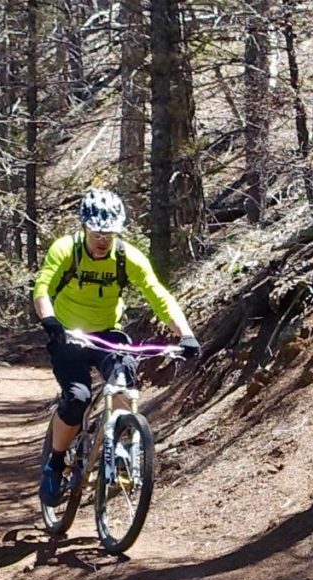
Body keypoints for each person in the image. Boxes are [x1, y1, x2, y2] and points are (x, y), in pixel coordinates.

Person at [33, 188, 200, 505]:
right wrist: (50, 321)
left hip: (109, 333)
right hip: (68, 334)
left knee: (124, 385)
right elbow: (43, 287)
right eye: (97, 232)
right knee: (78, 396)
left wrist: (185, 334)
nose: (103, 239)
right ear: (84, 227)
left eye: (109, 233)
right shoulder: (66, 250)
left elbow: (158, 295)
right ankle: (54, 463)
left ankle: (119, 451)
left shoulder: (126, 257)